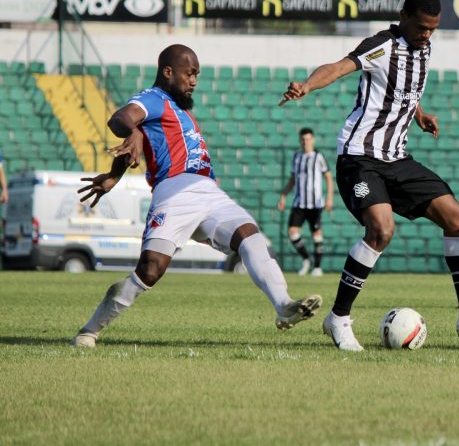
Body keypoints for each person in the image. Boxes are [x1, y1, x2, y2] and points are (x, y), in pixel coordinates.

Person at [281, 0, 459, 352]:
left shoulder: (425, 49)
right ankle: (338, 318)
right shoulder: (382, 45)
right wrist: (308, 85)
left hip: (397, 158)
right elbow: (339, 67)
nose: (426, 35)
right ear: (403, 15)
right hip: (360, 158)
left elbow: (406, 90)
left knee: (458, 219)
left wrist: (419, 115)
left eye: (433, 29)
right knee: (381, 230)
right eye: (421, 27)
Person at [70, 44, 321, 348]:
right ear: (168, 72)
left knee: (249, 235)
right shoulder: (154, 99)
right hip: (174, 192)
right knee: (150, 270)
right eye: (190, 74)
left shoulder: (180, 109)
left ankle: (284, 306)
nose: (194, 80)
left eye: (197, 75)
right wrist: (131, 135)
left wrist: (114, 174)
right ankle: (89, 330)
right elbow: (120, 119)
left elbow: (144, 140)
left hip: (208, 191)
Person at [277, 127, 334, 277]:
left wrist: (329, 198)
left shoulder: (319, 157)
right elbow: (292, 179)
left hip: (315, 203)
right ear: (300, 140)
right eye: (303, 139)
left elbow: (328, 177)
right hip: (299, 203)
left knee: (316, 234)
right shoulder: (296, 157)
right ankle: (306, 259)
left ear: (313, 140)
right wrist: (283, 195)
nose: (305, 142)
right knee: (292, 233)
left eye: (308, 139)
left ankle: (317, 267)